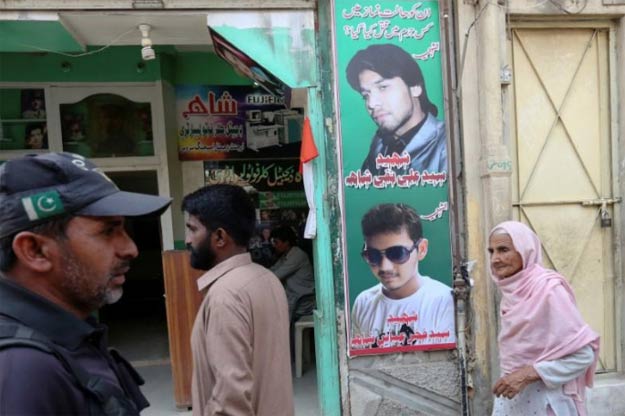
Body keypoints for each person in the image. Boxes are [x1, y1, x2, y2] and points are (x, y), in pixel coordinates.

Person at [0, 152, 172, 415]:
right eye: (107, 230)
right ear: (34, 250)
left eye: (124, 229)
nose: (131, 248)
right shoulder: (24, 369)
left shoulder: (68, 336)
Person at [182, 184, 294, 416]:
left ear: (220, 237)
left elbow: (230, 401)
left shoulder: (226, 295)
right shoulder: (266, 277)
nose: (188, 240)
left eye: (193, 229)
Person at [488, 221, 600, 416]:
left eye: (503, 250)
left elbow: (584, 356)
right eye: (491, 251)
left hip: (548, 404)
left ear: (526, 250)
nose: (495, 259)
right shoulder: (511, 293)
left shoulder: (548, 290)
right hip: (514, 403)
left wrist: (527, 374)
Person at [351, 203, 455, 348]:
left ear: (422, 249)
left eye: (397, 253)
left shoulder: (444, 301)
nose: (384, 266)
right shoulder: (363, 303)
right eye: (373, 256)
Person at [346, 43, 447, 175]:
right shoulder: (379, 145)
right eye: (366, 95)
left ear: (415, 87)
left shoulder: (447, 143)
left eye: (383, 87)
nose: (371, 103)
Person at [270, 225, 315, 322]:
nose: (275, 245)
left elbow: (275, 275)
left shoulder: (297, 255)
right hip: (294, 298)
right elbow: (273, 269)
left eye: (277, 242)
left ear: (286, 242)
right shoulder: (286, 255)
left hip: (302, 301)